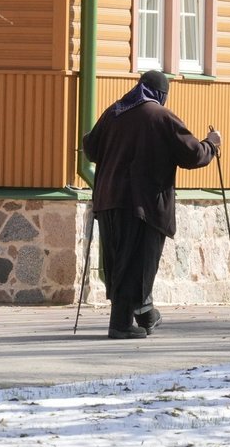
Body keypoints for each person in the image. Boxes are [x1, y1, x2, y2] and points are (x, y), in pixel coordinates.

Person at [82, 70, 221, 339]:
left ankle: (145, 314)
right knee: (138, 263)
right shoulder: (160, 117)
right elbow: (192, 154)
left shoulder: (115, 112)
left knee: (120, 261)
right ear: (161, 95)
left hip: (108, 199)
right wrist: (212, 144)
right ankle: (121, 324)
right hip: (143, 204)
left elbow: (90, 146)